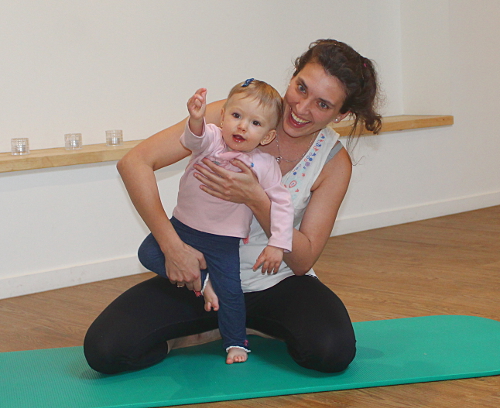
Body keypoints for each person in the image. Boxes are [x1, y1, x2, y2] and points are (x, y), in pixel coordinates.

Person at [84, 39, 382, 373]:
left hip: (275, 283)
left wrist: (255, 199)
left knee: (332, 352)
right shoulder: (234, 114)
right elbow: (135, 163)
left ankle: (248, 324)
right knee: (105, 351)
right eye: (301, 88)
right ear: (292, 76)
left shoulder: (333, 162)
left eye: (323, 105)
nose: (301, 108)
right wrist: (174, 249)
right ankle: (213, 326)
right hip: (200, 279)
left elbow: (302, 260)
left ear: (341, 114)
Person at [149, 79, 293, 363]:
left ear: (266, 136)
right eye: (237, 116)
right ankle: (203, 282)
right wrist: (196, 119)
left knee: (231, 294)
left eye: (255, 123)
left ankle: (236, 342)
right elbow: (193, 140)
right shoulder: (212, 138)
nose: (242, 127)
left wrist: (278, 243)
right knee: (147, 251)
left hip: (222, 241)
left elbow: (282, 204)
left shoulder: (264, 164)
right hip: (182, 228)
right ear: (224, 115)